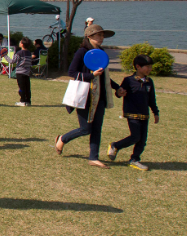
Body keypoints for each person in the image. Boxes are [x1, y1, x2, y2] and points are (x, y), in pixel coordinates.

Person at [55, 23, 126, 168]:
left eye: (102, 36)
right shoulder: (82, 52)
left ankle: (93, 157)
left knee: (97, 128)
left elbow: (104, 76)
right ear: (89, 36)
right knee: (85, 129)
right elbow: (72, 72)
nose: (101, 38)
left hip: (100, 97)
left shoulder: (101, 52)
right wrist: (91, 75)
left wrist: (117, 88)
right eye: (98, 35)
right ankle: (62, 138)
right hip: (84, 96)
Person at [108, 54, 160, 171]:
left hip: (144, 114)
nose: (150, 69)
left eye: (151, 67)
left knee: (142, 140)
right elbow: (119, 93)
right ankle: (115, 145)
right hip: (132, 113)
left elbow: (152, 99)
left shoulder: (149, 82)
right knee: (135, 136)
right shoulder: (128, 80)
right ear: (138, 67)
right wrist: (119, 93)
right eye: (147, 67)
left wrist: (155, 112)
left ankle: (135, 159)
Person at [12, 37, 34, 106]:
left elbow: (12, 61)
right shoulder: (29, 53)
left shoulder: (19, 53)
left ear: (22, 44)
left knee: (21, 87)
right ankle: (28, 101)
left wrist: (5, 56)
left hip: (20, 72)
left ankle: (22, 101)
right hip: (27, 72)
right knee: (27, 87)